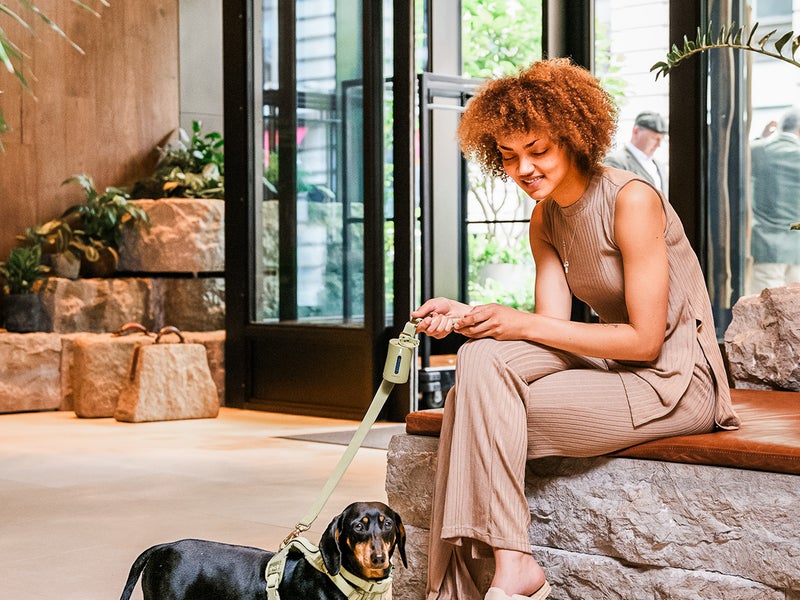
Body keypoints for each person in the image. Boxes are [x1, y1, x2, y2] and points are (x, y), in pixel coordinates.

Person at [411, 58, 740, 600]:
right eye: (510, 156)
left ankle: (463, 587)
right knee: (478, 363)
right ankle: (514, 563)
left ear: (573, 137)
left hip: (677, 380)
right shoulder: (545, 218)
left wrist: (516, 324)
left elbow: (645, 340)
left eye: (538, 150)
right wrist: (471, 316)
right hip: (615, 367)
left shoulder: (631, 199)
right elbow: (549, 329)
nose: (525, 169)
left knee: (469, 412)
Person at [748, 107, 800, 294]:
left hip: (766, 248)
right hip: (797, 247)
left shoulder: (759, 150)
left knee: (765, 315)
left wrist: (762, 137)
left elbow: (742, 154)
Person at [604, 110, 668, 192]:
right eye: (654, 138)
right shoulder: (615, 161)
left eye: (661, 139)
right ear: (636, 131)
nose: (658, 144)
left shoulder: (659, 166)